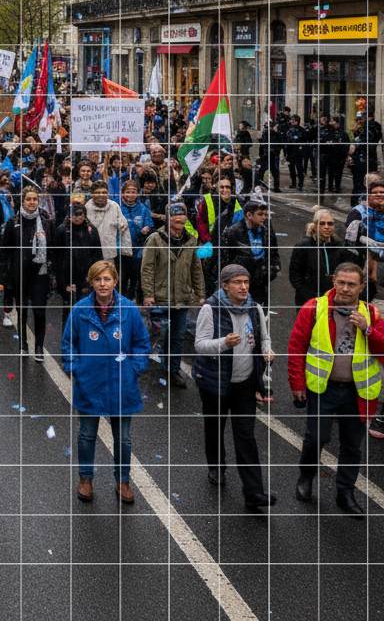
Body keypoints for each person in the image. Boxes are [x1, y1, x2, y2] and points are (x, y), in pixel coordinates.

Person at [288, 261, 384, 515]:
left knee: (352, 445)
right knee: (316, 438)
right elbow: (296, 347)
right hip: (323, 388)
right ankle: (306, 478)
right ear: (333, 282)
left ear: (362, 286)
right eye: (341, 282)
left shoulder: (372, 314)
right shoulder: (314, 308)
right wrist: (296, 383)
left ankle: (345, 493)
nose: (345, 289)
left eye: (352, 284)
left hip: (358, 392)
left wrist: (368, 329)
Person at [61, 259, 149, 506]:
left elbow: (142, 344)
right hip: (90, 384)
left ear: (115, 281)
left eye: (107, 279)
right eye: (98, 279)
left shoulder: (129, 310)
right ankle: (86, 479)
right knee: (87, 435)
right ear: (91, 282)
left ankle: (122, 481)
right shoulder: (79, 310)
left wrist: (135, 368)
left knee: (123, 438)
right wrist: (75, 368)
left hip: (122, 384)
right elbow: (68, 343)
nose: (103, 284)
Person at [193, 264, 276, 510]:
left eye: (246, 282)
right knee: (215, 428)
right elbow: (200, 345)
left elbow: (264, 337)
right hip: (216, 383)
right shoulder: (211, 308)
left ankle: (254, 492)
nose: (243, 287)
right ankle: (217, 466)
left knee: (246, 437)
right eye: (237, 282)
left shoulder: (254, 307)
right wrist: (224, 342)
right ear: (225, 285)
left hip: (245, 384)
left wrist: (267, 350)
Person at [140, 202, 204, 388]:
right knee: (158, 333)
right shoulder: (155, 239)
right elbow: (147, 269)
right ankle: (142, 362)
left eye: (182, 215)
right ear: (168, 218)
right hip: (161, 296)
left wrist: (200, 294)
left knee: (178, 335)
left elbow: (196, 268)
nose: (179, 219)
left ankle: (173, 370)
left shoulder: (191, 240)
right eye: (175, 215)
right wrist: (148, 294)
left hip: (182, 298)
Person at [0, 185, 54, 361]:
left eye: (35, 199)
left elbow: (53, 248)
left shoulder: (46, 221)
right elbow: (5, 251)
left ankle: (39, 346)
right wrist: (5, 278)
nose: (32, 202)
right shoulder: (13, 222)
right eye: (28, 199)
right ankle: (23, 344)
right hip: (19, 274)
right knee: (22, 311)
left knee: (39, 312)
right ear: (22, 201)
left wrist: (52, 273)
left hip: (41, 274)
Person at [289, 209, 359, 307]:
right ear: (315, 226)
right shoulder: (303, 246)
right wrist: (305, 293)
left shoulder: (340, 247)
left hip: (334, 300)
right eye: (322, 224)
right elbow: (295, 274)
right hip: (309, 300)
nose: (326, 227)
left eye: (330, 224)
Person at [220, 200, 281, 307]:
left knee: (259, 318)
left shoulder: (267, 232)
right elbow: (224, 259)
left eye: (265, 214)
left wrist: (269, 273)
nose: (264, 217)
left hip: (260, 286)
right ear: (249, 215)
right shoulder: (233, 232)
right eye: (260, 214)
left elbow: (274, 255)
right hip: (238, 285)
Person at [51, 195, 103, 320]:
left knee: (87, 313)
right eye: (74, 214)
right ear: (69, 216)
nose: (77, 217)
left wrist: (94, 278)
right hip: (68, 280)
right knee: (70, 315)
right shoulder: (61, 231)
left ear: (85, 215)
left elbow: (97, 256)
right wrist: (63, 284)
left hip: (87, 279)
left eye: (80, 214)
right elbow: (56, 259)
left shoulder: (92, 231)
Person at [116, 179, 153, 303]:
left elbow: (149, 224)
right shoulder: (117, 208)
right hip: (122, 250)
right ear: (122, 193)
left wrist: (147, 228)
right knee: (122, 277)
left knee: (136, 276)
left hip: (138, 250)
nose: (130, 194)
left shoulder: (143, 209)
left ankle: (134, 301)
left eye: (133, 192)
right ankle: (121, 301)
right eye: (128, 192)